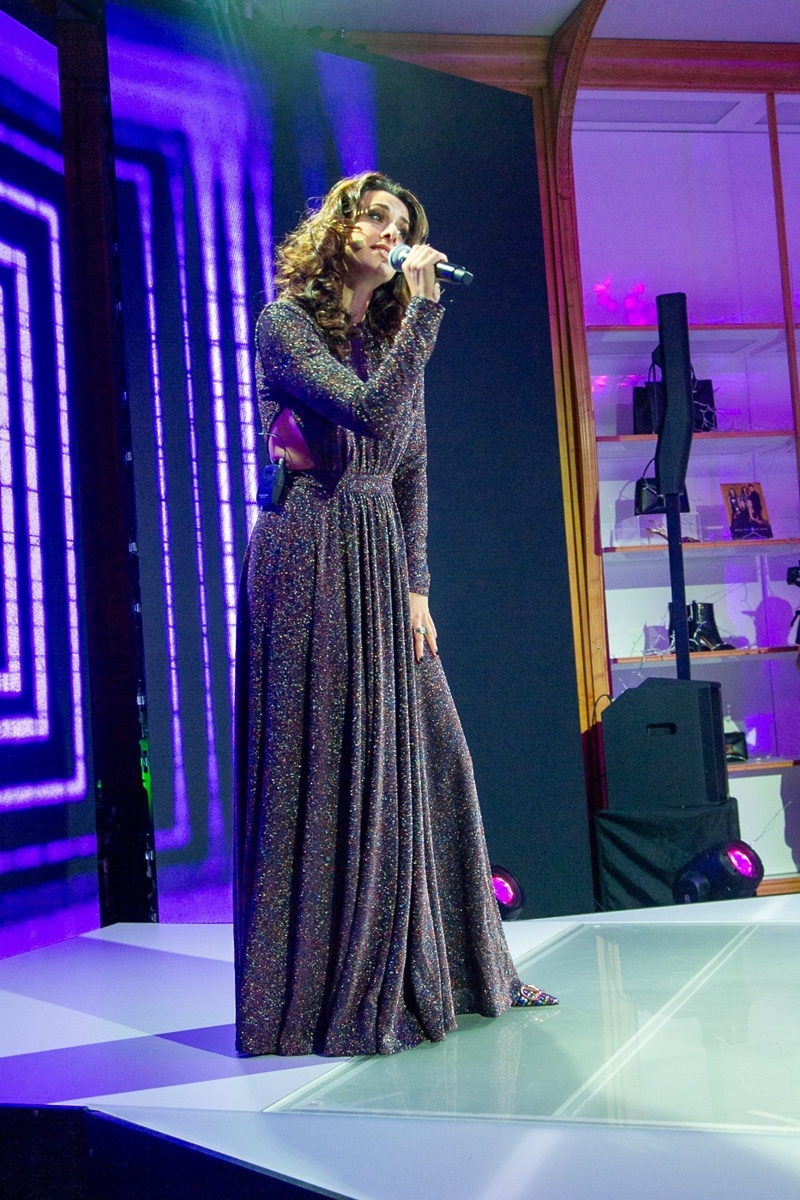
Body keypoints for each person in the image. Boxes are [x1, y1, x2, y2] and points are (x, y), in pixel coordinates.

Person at [233, 171, 556, 1058]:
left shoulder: (390, 337)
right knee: (326, 762)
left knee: (437, 755)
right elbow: (371, 417)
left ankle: (463, 969)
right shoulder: (284, 325)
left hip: (378, 553)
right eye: (376, 218)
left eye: (402, 223)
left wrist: (418, 586)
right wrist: (426, 312)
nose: (391, 233)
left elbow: (411, 465)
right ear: (338, 230)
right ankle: (319, 994)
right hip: (310, 551)